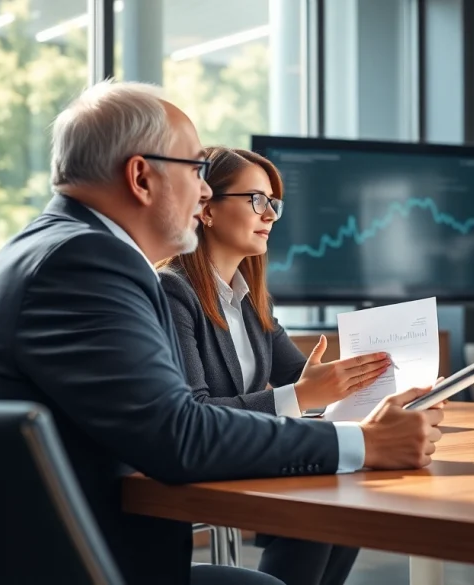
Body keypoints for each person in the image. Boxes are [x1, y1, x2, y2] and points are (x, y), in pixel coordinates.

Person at [0, 80, 444, 585]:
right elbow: (181, 433)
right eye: (196, 169)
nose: (206, 189)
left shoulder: (59, 247)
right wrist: (363, 444)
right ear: (141, 177)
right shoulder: (86, 263)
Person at [156, 146, 382, 585]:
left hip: (244, 457)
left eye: (274, 204)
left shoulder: (253, 301)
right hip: (198, 466)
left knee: (345, 497)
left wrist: (382, 389)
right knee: (324, 503)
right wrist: (301, 395)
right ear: (207, 208)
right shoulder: (172, 292)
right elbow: (196, 414)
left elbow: (308, 381)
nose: (271, 216)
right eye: (257, 200)